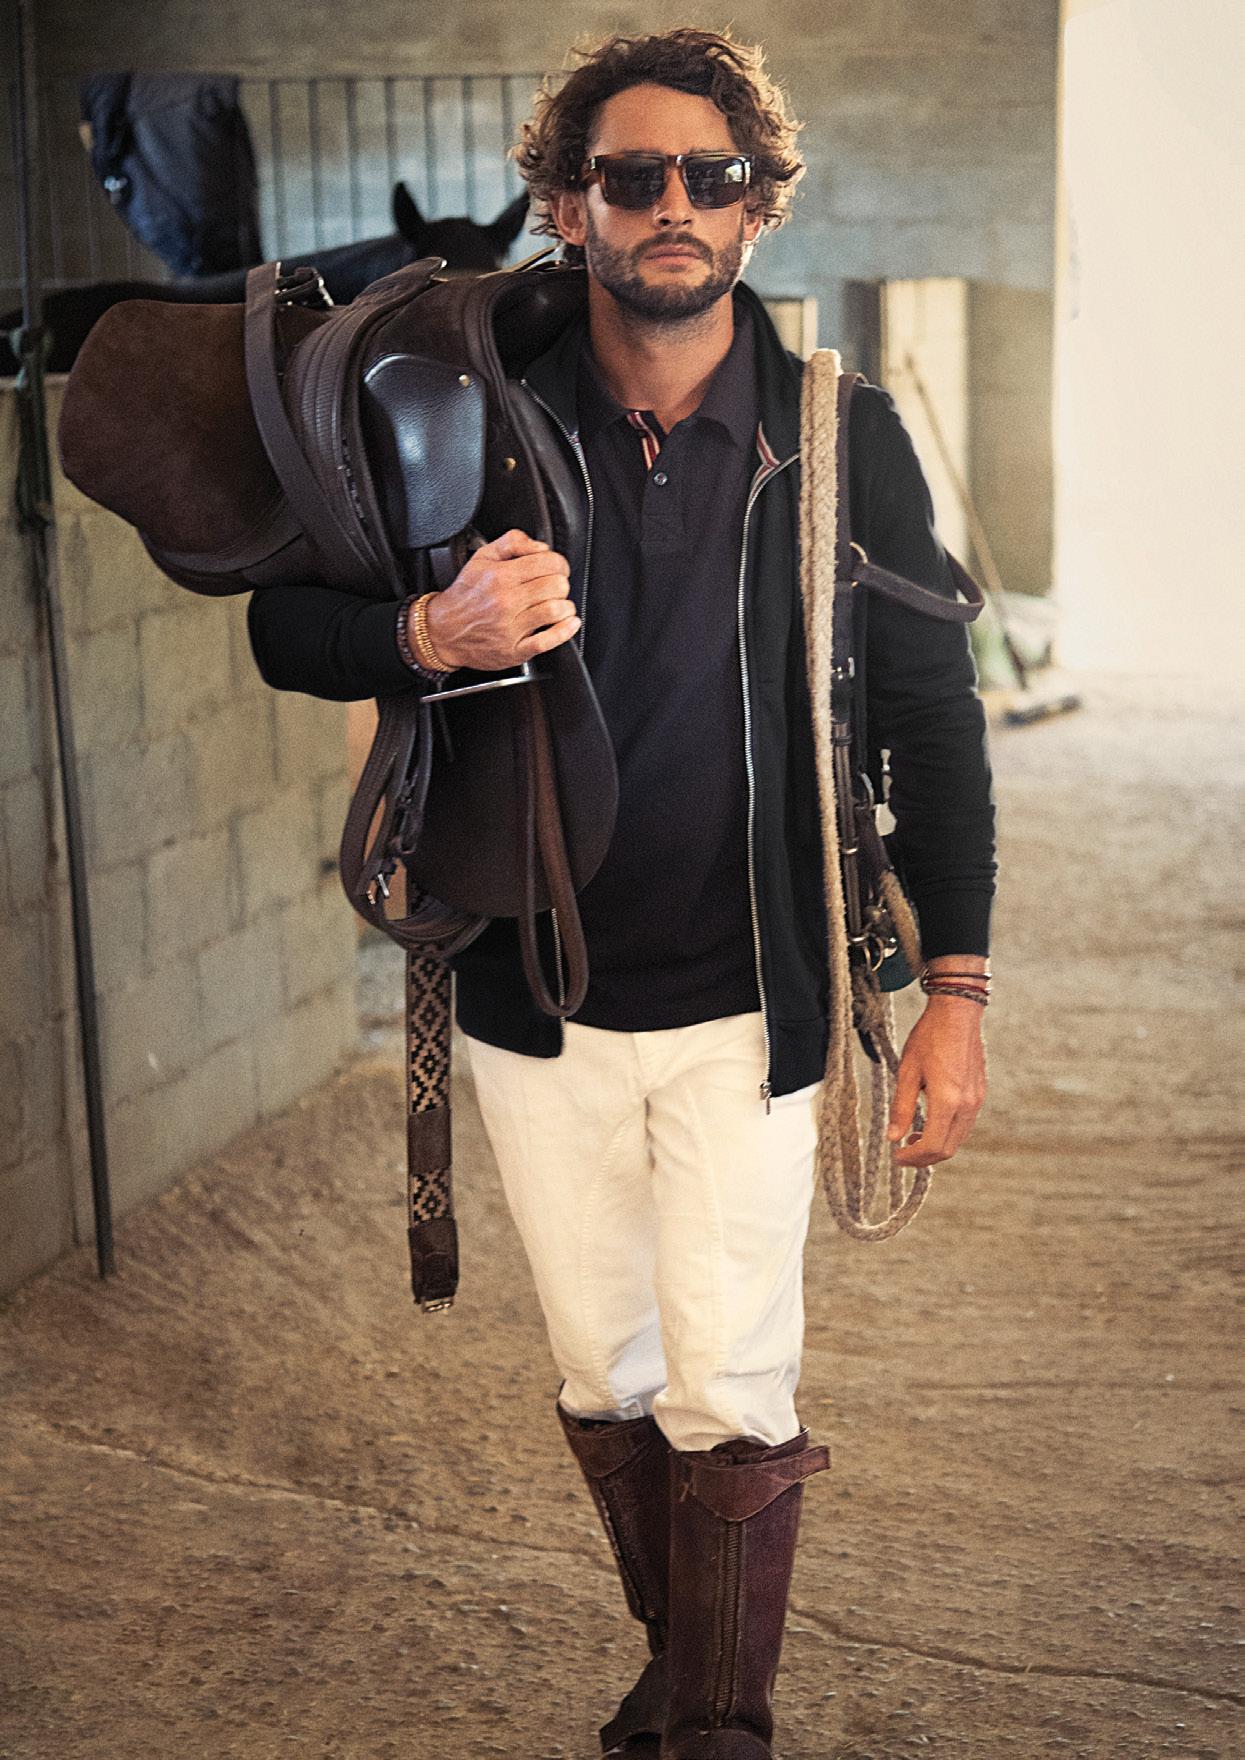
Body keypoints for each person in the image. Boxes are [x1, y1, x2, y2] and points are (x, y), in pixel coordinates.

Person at [246, 28, 996, 1759]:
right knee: (608, 1374)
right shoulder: (455, 414)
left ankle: (716, 1721)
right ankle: (691, 1669)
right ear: (566, 204)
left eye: (709, 177)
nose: (672, 205)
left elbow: (932, 719)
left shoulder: (839, 437)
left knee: (731, 1382)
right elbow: (287, 623)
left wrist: (953, 994)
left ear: (757, 206)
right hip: (531, 986)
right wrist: (424, 631)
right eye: (631, 175)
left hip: (756, 987)